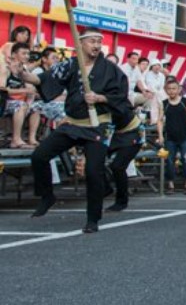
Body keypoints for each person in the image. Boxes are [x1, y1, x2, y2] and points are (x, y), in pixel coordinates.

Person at [18, 30, 131, 233]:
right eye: (91, 42)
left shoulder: (111, 69)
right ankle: (47, 196)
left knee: (93, 172)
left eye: (99, 42)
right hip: (72, 123)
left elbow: (122, 96)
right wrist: (24, 75)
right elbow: (46, 79)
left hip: (98, 124)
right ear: (81, 44)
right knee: (39, 156)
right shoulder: (71, 64)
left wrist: (100, 98)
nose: (96, 45)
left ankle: (93, 218)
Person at [159, 76, 186, 195]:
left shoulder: (185, 101)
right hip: (170, 137)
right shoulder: (164, 103)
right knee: (170, 161)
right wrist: (160, 135)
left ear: (179, 89)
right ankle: (170, 184)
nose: (172, 91)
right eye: (169, 89)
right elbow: (160, 120)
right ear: (166, 90)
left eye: (174, 88)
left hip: (183, 136)